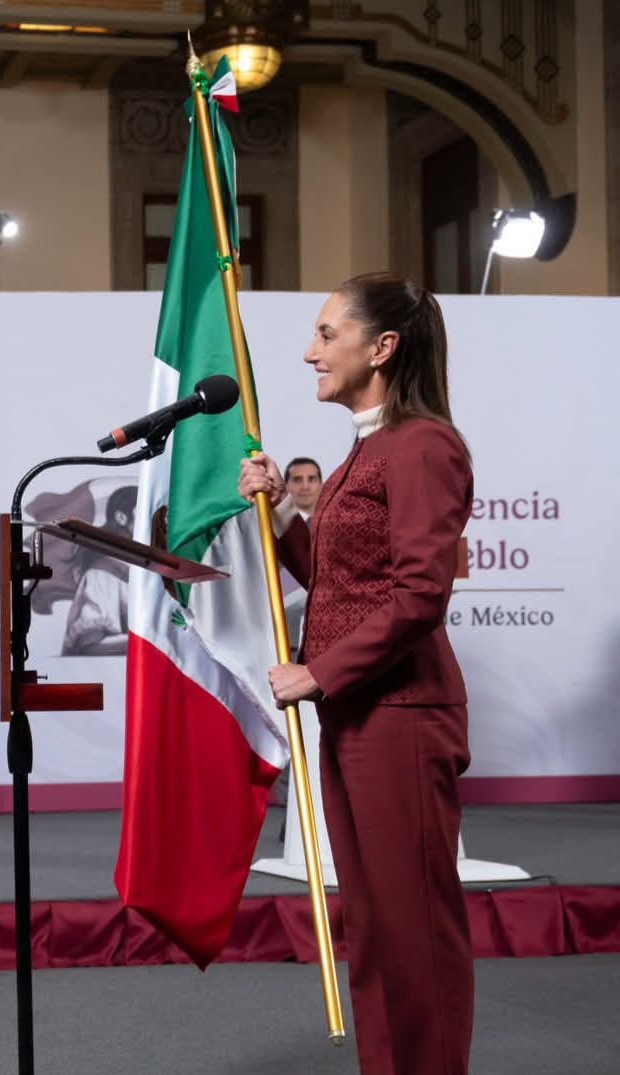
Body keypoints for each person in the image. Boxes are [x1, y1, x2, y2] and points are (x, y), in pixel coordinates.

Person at [239, 271, 472, 1075]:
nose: (310, 351)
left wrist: (318, 672)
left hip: (401, 715)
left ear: (382, 348)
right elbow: (346, 585)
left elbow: (418, 598)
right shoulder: (365, 450)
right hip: (359, 716)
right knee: (374, 931)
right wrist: (280, 522)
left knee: (416, 934)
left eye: (326, 334)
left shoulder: (425, 446)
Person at [62, 484, 138, 656]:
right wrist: (153, 642)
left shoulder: (147, 572)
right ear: (121, 517)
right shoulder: (101, 575)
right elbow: (90, 645)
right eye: (146, 511)